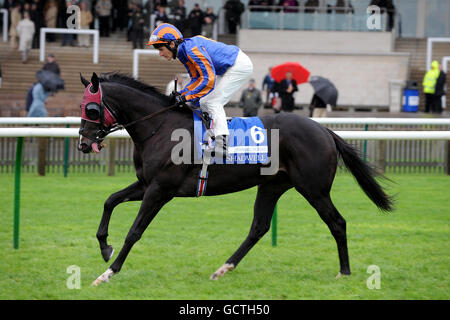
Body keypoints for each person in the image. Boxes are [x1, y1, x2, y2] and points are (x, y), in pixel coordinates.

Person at [147, 23, 253, 158]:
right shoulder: (184, 52)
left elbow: (208, 80)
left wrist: (185, 97)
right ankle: (211, 138)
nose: (160, 54)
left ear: (172, 44)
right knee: (204, 102)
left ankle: (223, 145)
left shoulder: (191, 50)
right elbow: (196, 79)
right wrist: (182, 93)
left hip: (238, 65)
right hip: (227, 68)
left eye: (161, 49)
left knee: (213, 102)